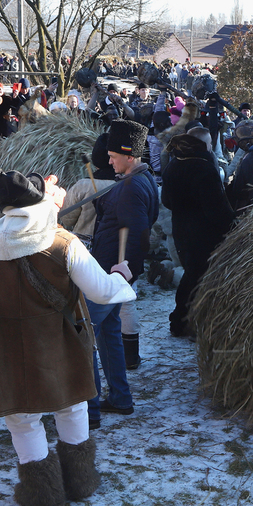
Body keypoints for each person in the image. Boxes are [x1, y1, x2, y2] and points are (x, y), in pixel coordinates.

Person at [0, 171, 134, 506]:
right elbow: (102, 291)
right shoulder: (63, 242)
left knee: (22, 419)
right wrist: (120, 276)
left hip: (2, 347)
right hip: (57, 341)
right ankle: (80, 481)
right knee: (72, 405)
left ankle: (43, 494)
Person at [87, 120, 158, 427]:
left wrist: (125, 269)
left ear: (130, 155)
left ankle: (86, 411)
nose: (109, 159)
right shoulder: (137, 180)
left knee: (83, 333)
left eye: (114, 155)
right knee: (110, 333)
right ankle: (120, 396)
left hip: (110, 276)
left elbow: (137, 231)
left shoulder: (131, 186)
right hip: (111, 275)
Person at [161, 128, 236, 338]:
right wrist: (233, 227)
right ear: (204, 145)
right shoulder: (204, 169)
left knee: (191, 275)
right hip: (204, 235)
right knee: (199, 279)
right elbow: (217, 210)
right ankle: (187, 322)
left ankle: (181, 321)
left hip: (181, 231)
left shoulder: (173, 165)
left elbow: (166, 201)